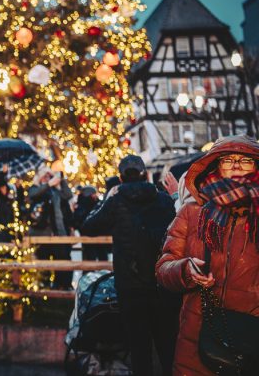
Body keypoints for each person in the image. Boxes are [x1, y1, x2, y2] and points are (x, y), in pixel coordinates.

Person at [156, 136, 259, 375]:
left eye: (245, 160)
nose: (235, 165)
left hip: (252, 341)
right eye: (228, 159)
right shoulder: (191, 213)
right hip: (196, 341)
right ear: (216, 166)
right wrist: (185, 270)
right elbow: (163, 269)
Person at [82, 155, 177, 375]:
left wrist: (109, 197)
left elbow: (88, 226)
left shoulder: (116, 202)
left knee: (138, 346)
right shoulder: (163, 200)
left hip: (130, 286)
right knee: (167, 344)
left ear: (121, 178)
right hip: (161, 282)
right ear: (145, 174)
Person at [28, 167, 73, 288]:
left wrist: (60, 179)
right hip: (41, 234)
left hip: (59, 232)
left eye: (49, 176)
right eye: (45, 176)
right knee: (43, 262)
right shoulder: (35, 189)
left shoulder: (55, 191)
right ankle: (44, 287)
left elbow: (68, 195)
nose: (47, 178)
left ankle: (62, 286)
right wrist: (48, 184)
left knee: (63, 260)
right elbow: (33, 194)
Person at [72, 186, 109, 261]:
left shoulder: (82, 206)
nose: (95, 195)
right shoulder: (96, 205)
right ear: (90, 195)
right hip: (95, 236)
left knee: (91, 257)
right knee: (98, 257)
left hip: (90, 237)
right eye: (94, 193)